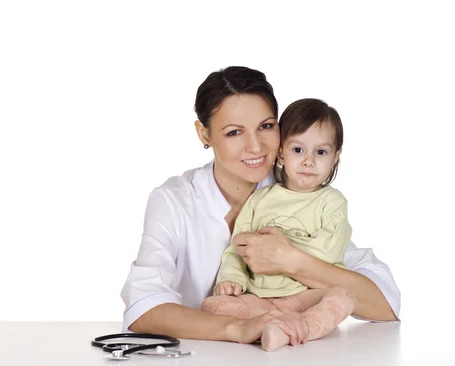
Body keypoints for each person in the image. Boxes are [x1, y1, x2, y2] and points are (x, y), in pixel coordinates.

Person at [120, 66, 400, 346]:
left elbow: (385, 302)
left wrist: (292, 260)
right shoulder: (173, 201)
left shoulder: (300, 190)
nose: (255, 147)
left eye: (266, 126)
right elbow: (143, 307)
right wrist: (238, 329)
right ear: (204, 134)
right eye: (234, 132)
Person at [202, 98, 355, 351]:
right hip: (259, 298)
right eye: (298, 150)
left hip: (305, 297)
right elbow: (238, 246)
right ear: (281, 152)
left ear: (335, 157)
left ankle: (294, 328)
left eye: (321, 152)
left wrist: (282, 248)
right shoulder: (261, 199)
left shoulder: (332, 202)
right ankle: (271, 324)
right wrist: (232, 278)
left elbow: (328, 252)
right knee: (212, 305)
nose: (308, 161)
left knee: (343, 297)